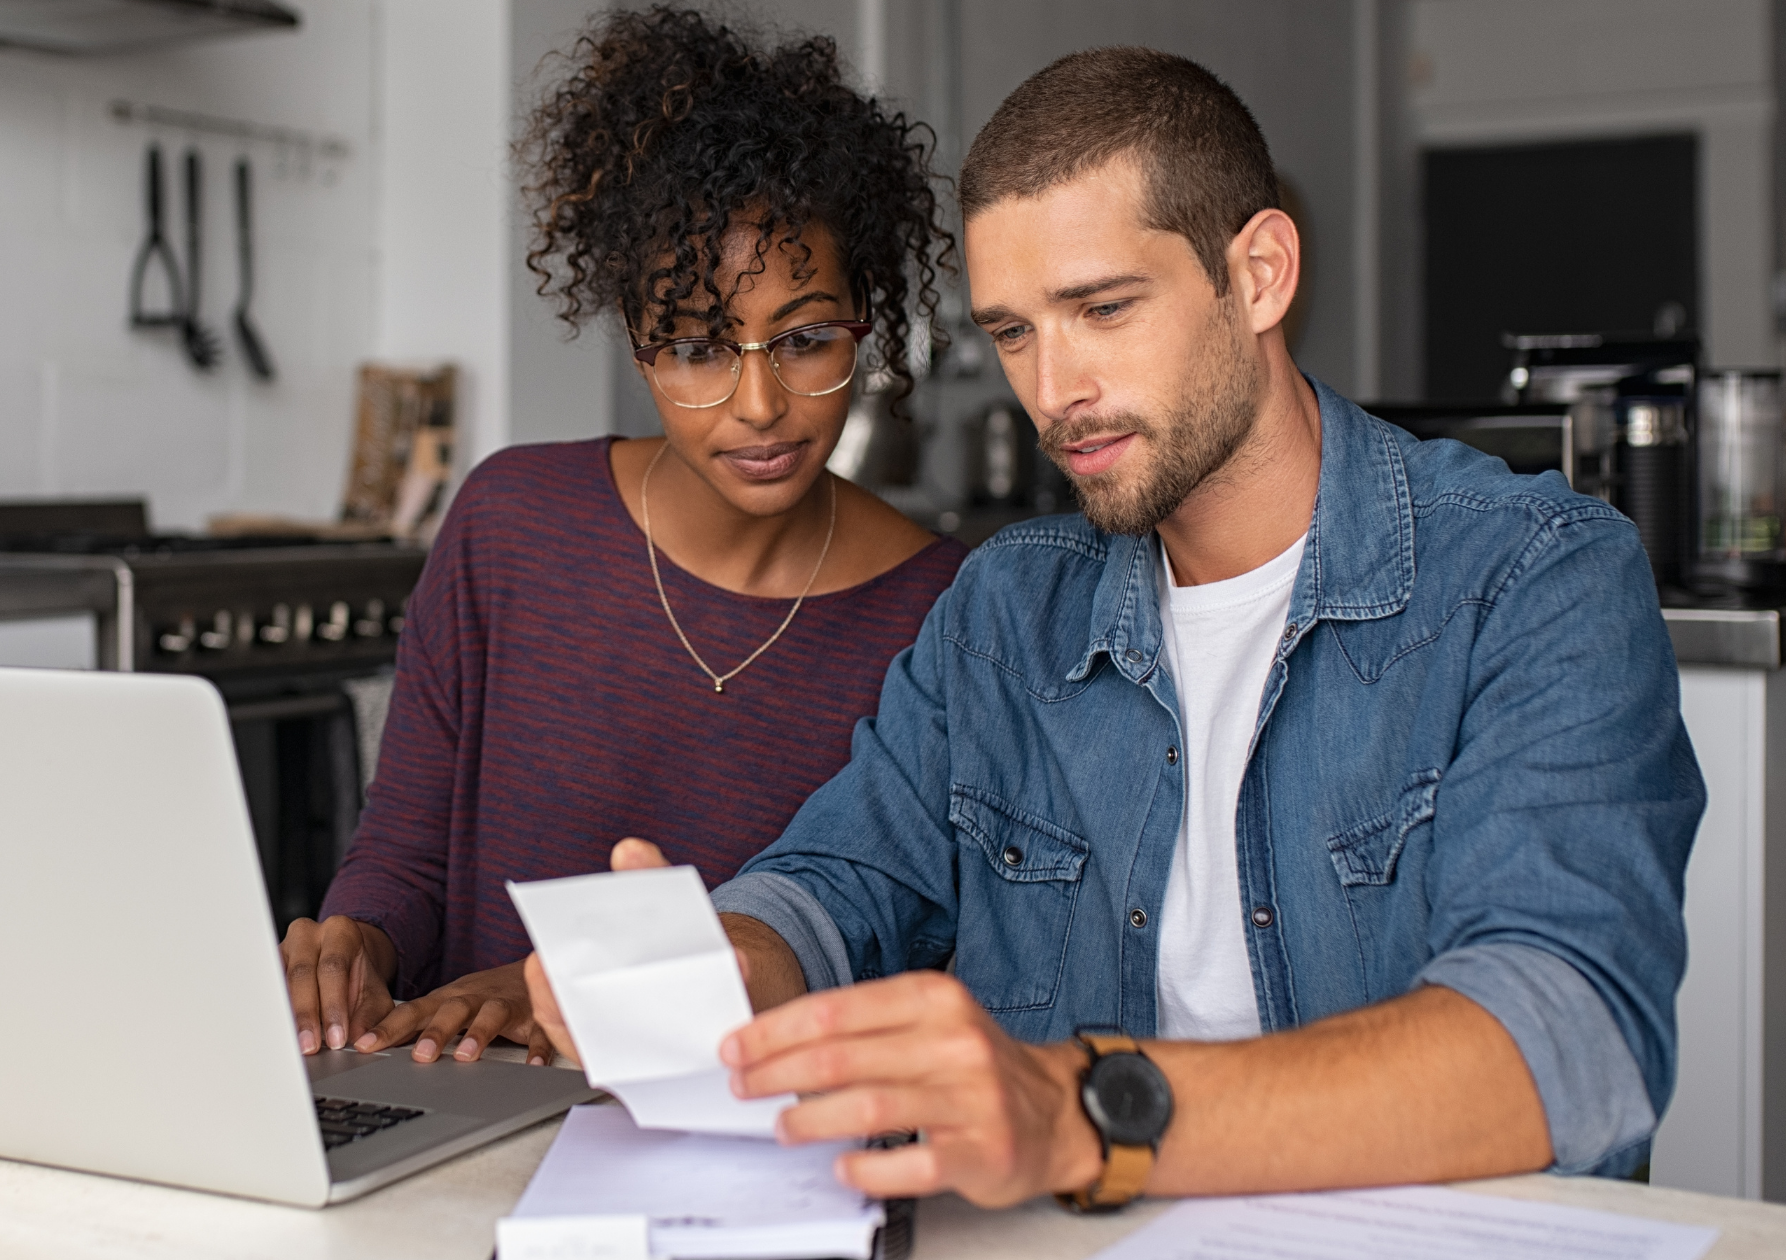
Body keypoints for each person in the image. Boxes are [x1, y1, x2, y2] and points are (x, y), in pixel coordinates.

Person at [529, 46, 1702, 1209]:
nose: (1052, 389)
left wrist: (1086, 1113)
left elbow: (1570, 1040)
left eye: (1100, 309)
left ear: (1258, 275)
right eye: (1014, 332)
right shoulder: (1004, 612)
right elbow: (838, 880)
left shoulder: (1531, 576)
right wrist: (721, 963)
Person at [280, 8, 965, 1070]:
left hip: (745, 1155)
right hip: (461, 1107)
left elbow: (892, 949)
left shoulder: (942, 612)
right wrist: (354, 944)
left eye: (804, 339)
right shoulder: (508, 524)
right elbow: (405, 857)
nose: (756, 404)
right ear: (637, 348)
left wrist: (564, 993)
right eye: (694, 347)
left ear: (864, 325)